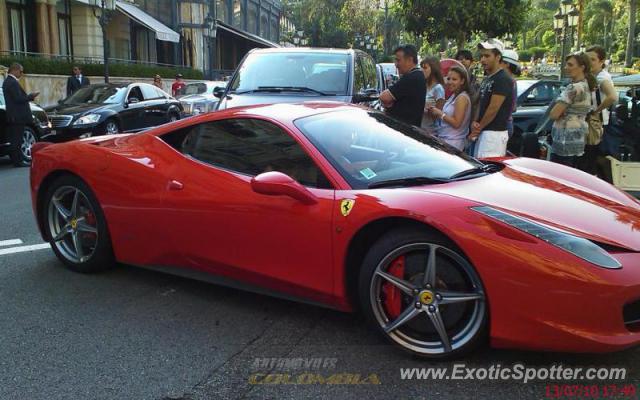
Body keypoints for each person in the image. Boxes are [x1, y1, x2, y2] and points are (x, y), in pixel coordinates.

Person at [548, 53, 597, 168]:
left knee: (559, 178)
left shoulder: (573, 88)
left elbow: (553, 114)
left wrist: (562, 113)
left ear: (582, 67)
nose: (566, 68)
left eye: (570, 65)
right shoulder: (587, 86)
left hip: (564, 140)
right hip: (579, 139)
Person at [470, 38, 513, 158]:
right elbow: (481, 102)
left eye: (487, 56)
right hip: (484, 132)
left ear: (498, 57)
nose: (483, 59)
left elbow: (493, 108)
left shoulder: (503, 78)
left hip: (494, 135)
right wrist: (475, 121)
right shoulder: (488, 78)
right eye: (482, 56)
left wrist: (478, 128)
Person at [578, 45, 617, 174]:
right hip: (597, 124)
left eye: (593, 59)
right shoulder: (595, 76)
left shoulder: (601, 78)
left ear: (602, 61)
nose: (589, 62)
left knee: (588, 161)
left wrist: (596, 111)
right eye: (587, 59)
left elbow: (612, 96)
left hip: (596, 125)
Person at [379, 45, 427, 126]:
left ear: (410, 60)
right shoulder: (417, 75)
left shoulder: (411, 77)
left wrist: (390, 103)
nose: (396, 64)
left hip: (403, 131)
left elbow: (384, 97)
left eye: (398, 60)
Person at [2, 63, 39, 166]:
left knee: (16, 139)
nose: (22, 74)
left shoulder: (8, 82)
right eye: (21, 71)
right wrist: (30, 96)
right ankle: (17, 161)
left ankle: (17, 160)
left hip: (14, 115)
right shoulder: (12, 82)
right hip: (17, 116)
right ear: (14, 70)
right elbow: (18, 99)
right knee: (17, 140)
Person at [428, 66, 472, 151]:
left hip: (453, 143)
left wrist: (440, 114)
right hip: (445, 140)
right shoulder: (454, 95)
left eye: (454, 79)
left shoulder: (461, 98)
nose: (450, 82)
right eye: (448, 79)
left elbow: (456, 123)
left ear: (462, 81)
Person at [420, 56, 445, 133]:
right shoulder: (423, 85)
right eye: (421, 67)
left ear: (433, 69)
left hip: (430, 131)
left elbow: (438, 114)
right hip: (419, 127)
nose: (422, 70)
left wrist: (423, 109)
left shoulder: (438, 88)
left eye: (425, 68)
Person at [499, 49, 521, 138]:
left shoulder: (508, 81)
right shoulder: (511, 81)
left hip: (503, 125)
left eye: (500, 62)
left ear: (507, 64)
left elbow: (513, 107)